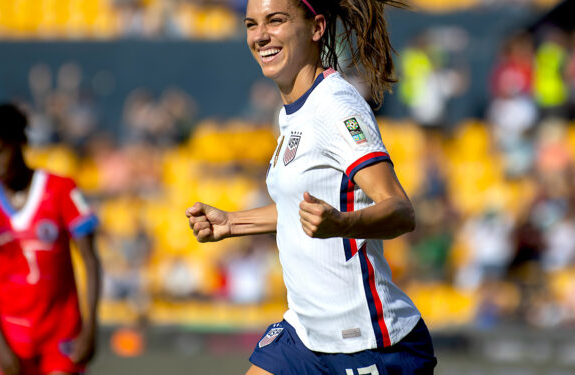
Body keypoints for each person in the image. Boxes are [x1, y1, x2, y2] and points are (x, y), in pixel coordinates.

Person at [185, 0, 437, 373]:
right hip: (305, 333)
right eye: (251, 24)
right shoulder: (290, 112)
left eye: (276, 21)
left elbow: (401, 210)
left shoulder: (336, 106)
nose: (260, 36)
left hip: (368, 342)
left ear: (316, 28)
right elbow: (306, 206)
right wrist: (232, 223)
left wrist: (343, 225)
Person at [0, 104, 101, 375]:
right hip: (13, 337)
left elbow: (90, 260)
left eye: (0, 151)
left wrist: (90, 328)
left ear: (21, 142)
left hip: (62, 334)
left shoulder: (61, 191)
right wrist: (0, 346)